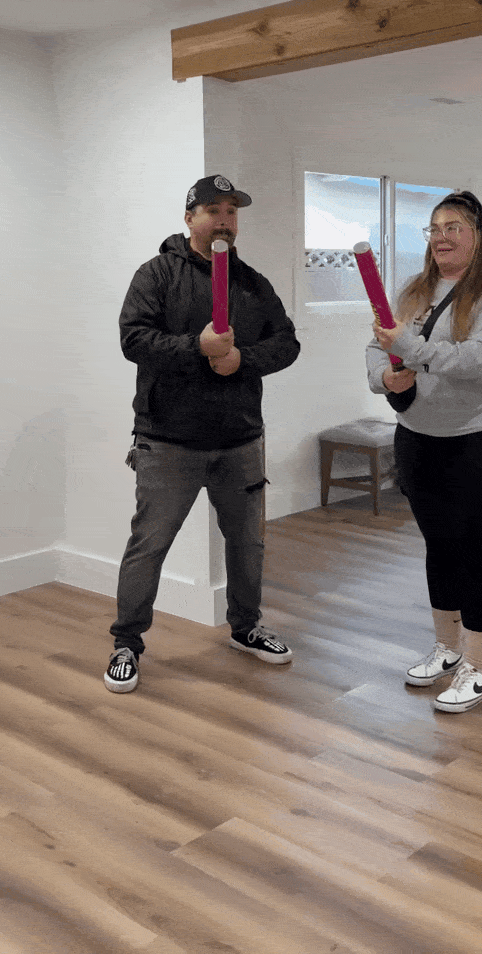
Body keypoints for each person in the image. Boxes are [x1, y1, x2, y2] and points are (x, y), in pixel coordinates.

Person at [105, 174, 300, 692]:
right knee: (149, 544)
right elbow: (134, 339)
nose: (224, 220)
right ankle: (127, 642)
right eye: (213, 210)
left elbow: (287, 344)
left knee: (248, 542)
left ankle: (246, 627)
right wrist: (197, 347)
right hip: (168, 441)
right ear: (190, 217)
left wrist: (239, 359)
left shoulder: (253, 284)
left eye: (232, 211)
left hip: (240, 440)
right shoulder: (157, 275)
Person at [366, 190, 482, 712]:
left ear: (478, 236)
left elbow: (476, 360)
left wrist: (407, 348)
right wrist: (385, 374)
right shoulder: (412, 290)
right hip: (418, 437)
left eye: (454, 227)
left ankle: (481, 664)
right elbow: (376, 345)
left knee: (475, 550)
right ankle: (448, 648)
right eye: (434, 228)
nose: (442, 237)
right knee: (438, 545)